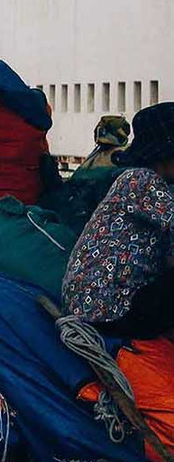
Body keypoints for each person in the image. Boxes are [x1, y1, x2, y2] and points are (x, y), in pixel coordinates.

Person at [62, 102, 174, 340]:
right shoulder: (142, 180)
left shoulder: (144, 181)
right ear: (165, 155)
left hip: (102, 305)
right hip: (106, 309)